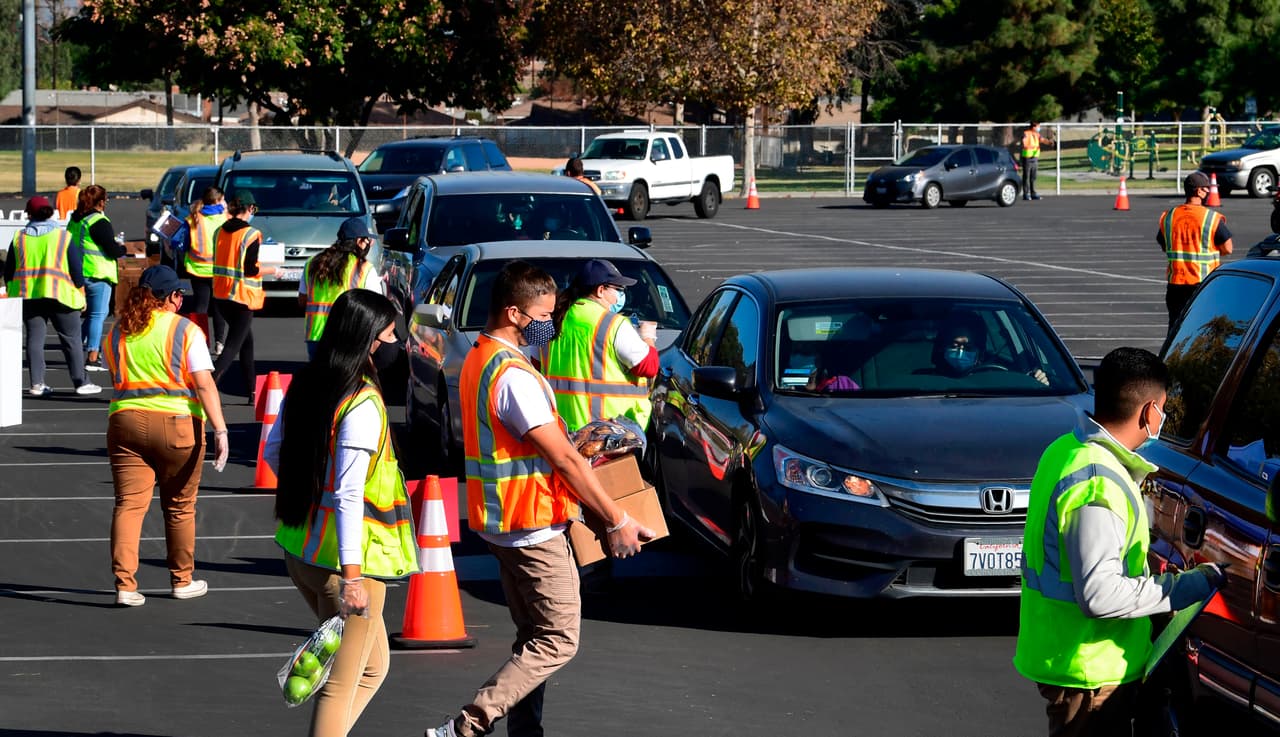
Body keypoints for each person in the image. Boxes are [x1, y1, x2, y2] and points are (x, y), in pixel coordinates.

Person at [425, 260, 654, 737]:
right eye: (543, 315)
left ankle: (525, 732)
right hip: (531, 526)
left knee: (532, 638)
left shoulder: (482, 358)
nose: (550, 323)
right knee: (558, 640)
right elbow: (565, 462)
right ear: (514, 312)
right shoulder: (513, 375)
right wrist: (615, 520)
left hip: (503, 522)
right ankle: (467, 724)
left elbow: (537, 447)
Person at [1014, 346, 1228, 736]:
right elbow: (1100, 594)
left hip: (1075, 660)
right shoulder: (1098, 481)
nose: (1163, 418)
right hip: (1088, 673)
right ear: (1149, 412)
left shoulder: (1064, 451)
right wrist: (1183, 589)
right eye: (1164, 409)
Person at [266, 289, 417, 737]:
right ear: (369, 339)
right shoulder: (363, 403)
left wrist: (313, 492)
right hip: (350, 567)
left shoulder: (309, 382)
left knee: (373, 667)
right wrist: (353, 578)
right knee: (339, 684)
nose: (396, 343)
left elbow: (275, 450)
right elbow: (350, 493)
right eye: (390, 334)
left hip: (304, 551)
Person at [104, 265, 228, 607]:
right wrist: (220, 428)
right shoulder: (185, 330)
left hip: (125, 421)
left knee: (129, 506)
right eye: (179, 295)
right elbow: (203, 382)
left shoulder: (118, 332)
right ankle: (181, 579)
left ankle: (125, 585)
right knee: (179, 508)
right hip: (177, 424)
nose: (181, 300)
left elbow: (115, 372)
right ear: (171, 297)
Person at [540, 258, 658, 441]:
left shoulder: (554, 320)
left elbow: (535, 365)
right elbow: (648, 367)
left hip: (560, 432)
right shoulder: (613, 324)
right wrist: (648, 337)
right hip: (606, 435)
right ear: (600, 290)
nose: (620, 295)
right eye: (618, 289)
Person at [3, 195, 101, 396]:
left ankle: (37, 383)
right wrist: (81, 293)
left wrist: (13, 294)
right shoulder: (62, 237)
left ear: (28, 214)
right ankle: (80, 382)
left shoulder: (19, 238)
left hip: (30, 296)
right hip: (61, 295)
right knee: (71, 339)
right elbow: (76, 269)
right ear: (49, 212)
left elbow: (9, 271)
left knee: (34, 339)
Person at [211, 192, 271, 403]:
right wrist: (271, 270)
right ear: (250, 209)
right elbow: (250, 269)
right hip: (241, 297)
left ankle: (252, 392)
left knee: (247, 343)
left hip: (221, 295)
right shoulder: (251, 234)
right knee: (231, 349)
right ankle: (206, 387)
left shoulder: (219, 231)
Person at [1157, 171, 1233, 331]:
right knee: (1203, 329)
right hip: (1202, 284)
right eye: (1206, 189)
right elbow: (1228, 248)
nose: (1209, 192)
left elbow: (1164, 245)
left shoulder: (1169, 216)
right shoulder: (1210, 218)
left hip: (1176, 285)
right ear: (1198, 191)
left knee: (1176, 330)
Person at [299, 217, 382, 359]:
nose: (369, 244)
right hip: (348, 338)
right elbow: (377, 308)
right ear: (359, 242)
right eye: (367, 240)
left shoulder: (312, 263)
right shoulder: (364, 269)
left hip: (315, 337)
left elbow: (302, 300)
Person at [66, 184, 125, 372]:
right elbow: (112, 250)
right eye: (106, 199)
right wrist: (122, 248)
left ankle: (77, 346)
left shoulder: (75, 220)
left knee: (86, 316)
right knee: (97, 316)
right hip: (99, 274)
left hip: (78, 273)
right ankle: (92, 356)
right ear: (100, 202)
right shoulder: (99, 222)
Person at [172, 186, 230, 355]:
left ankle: (201, 342)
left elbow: (178, 242)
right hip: (219, 270)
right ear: (219, 200)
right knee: (219, 307)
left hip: (198, 269)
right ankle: (220, 343)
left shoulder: (193, 219)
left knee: (201, 306)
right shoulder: (225, 218)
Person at [924, 310, 1048, 384]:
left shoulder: (998, 381)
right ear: (942, 347)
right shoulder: (926, 381)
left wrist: (1038, 384)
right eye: (954, 345)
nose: (960, 353)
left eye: (968, 347)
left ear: (981, 352)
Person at [1020, 121, 1052, 201]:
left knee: (1033, 177)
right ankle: (1026, 194)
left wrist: (1049, 142)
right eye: (1038, 126)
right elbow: (1023, 141)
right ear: (1033, 127)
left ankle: (1033, 193)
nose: (1039, 128)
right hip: (1027, 157)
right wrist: (1024, 142)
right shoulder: (1026, 133)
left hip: (1035, 158)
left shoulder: (1037, 134)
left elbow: (1042, 140)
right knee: (1026, 176)